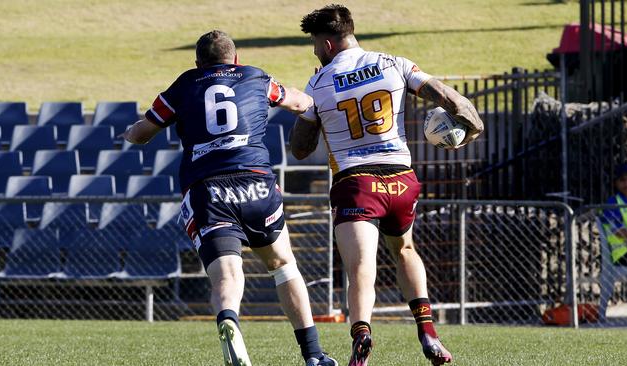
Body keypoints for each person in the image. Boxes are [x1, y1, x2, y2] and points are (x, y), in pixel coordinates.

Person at [121, 30, 337, 366]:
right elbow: (299, 103)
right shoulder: (254, 76)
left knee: (227, 274)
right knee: (283, 266)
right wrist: (313, 96)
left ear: (197, 63)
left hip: (209, 189)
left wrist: (130, 133)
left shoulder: (183, 85)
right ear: (235, 59)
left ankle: (228, 319)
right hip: (256, 183)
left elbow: (141, 133)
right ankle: (313, 355)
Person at [290, 5, 484, 366]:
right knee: (405, 250)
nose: (315, 51)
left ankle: (361, 334)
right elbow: (447, 96)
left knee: (361, 265)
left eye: (315, 44)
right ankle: (428, 333)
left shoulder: (319, 82)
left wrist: (311, 111)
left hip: (356, 181)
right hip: (400, 179)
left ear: (328, 45)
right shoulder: (394, 63)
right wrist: (471, 125)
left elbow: (299, 149)